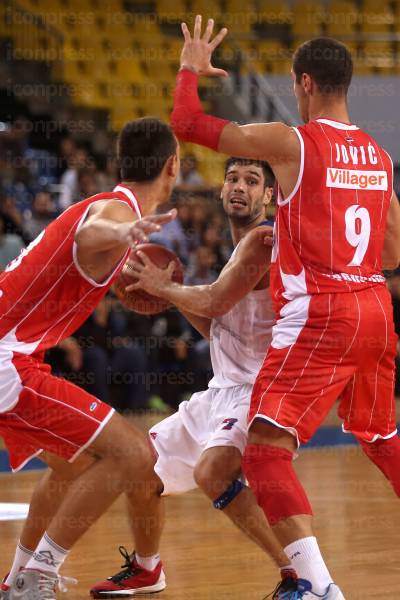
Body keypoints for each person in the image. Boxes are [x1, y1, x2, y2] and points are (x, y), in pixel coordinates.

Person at [168, 16, 400, 600]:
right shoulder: (376, 156)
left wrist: (189, 69)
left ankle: (318, 588)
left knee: (267, 454)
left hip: (324, 311)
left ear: (302, 83)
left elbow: (187, 124)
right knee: (380, 438)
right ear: (345, 85)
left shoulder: (292, 142)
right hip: (375, 304)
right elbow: (394, 250)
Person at [90, 156, 297, 598]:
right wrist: (167, 296)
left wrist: (165, 288)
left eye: (252, 180)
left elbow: (215, 301)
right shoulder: (233, 249)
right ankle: (148, 569)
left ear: (268, 196)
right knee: (139, 468)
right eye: (232, 178)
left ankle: (295, 573)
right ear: (221, 191)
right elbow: (217, 325)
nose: (239, 186)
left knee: (212, 473)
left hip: (259, 391)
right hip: (220, 389)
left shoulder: (265, 240)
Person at [0, 117, 179, 600]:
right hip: (5, 360)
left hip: (17, 356)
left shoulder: (111, 209)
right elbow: (92, 232)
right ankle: (38, 575)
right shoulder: (115, 212)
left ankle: (17, 579)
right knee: (133, 452)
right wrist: (125, 234)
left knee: (73, 464)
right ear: (173, 167)